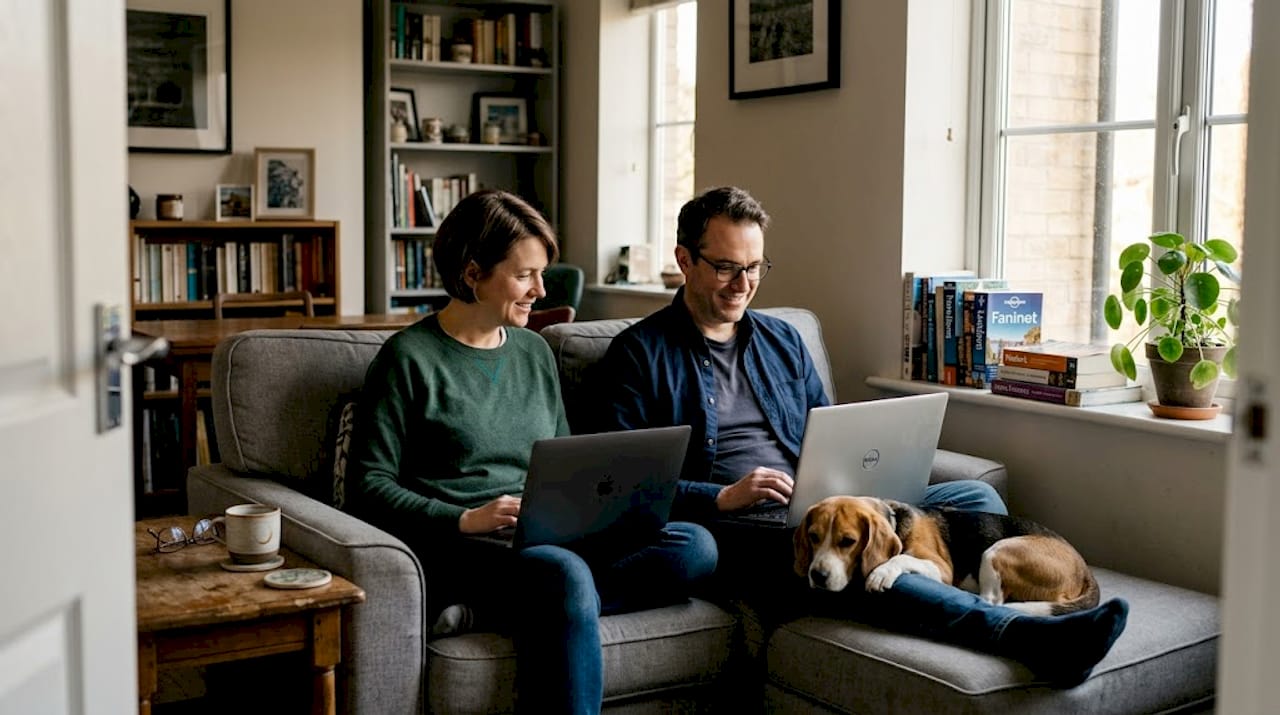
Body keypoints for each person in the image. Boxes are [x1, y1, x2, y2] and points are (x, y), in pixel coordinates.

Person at [591, 185, 1128, 686]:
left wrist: (861, 476)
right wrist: (724, 496)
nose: (744, 284)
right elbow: (624, 487)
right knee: (871, 562)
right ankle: (1020, 634)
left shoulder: (783, 340)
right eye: (728, 267)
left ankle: (989, 593)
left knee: (973, 495)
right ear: (685, 260)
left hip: (823, 503)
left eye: (755, 267)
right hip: (744, 527)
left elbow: (830, 433)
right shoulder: (640, 354)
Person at [346, 189, 717, 713]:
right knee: (564, 575)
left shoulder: (533, 351)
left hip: (547, 534)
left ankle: (489, 612)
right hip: (472, 546)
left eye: (542, 274)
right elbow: (368, 487)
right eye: (525, 276)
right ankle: (535, 599)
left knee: (694, 546)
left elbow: (562, 459)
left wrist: (598, 506)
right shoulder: (407, 359)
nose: (540, 291)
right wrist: (465, 518)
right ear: (472, 273)